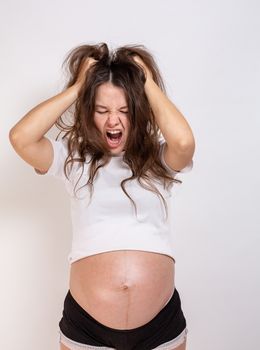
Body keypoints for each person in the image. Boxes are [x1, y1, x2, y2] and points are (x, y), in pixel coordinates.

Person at [9, 42, 195, 350]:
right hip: (86, 328)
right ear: (88, 111)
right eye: (102, 110)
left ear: (139, 110)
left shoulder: (157, 160)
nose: (113, 121)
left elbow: (185, 142)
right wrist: (79, 86)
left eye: (124, 110)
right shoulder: (73, 160)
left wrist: (146, 81)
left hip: (161, 325)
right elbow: (21, 138)